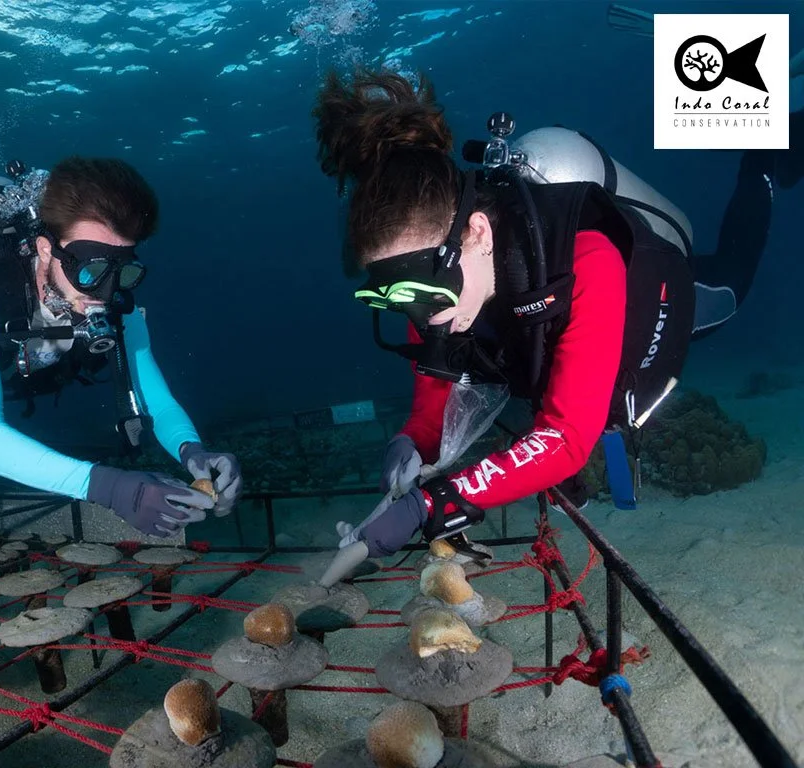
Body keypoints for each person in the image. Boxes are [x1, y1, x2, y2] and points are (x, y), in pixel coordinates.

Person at [311, 69, 801, 559]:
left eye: (426, 294)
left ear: (478, 233)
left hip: (649, 299)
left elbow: (566, 436)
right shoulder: (429, 297)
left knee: (730, 293)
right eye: (394, 299)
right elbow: (433, 403)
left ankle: (763, 159)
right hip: (536, 330)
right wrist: (412, 443)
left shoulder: (586, 256)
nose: (424, 321)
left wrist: (433, 504)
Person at [0, 157, 243, 537]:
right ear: (45, 249)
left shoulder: (114, 304)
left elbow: (158, 401)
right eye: (90, 270)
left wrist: (193, 451)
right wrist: (109, 487)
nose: (103, 293)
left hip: (26, 371)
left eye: (122, 272)